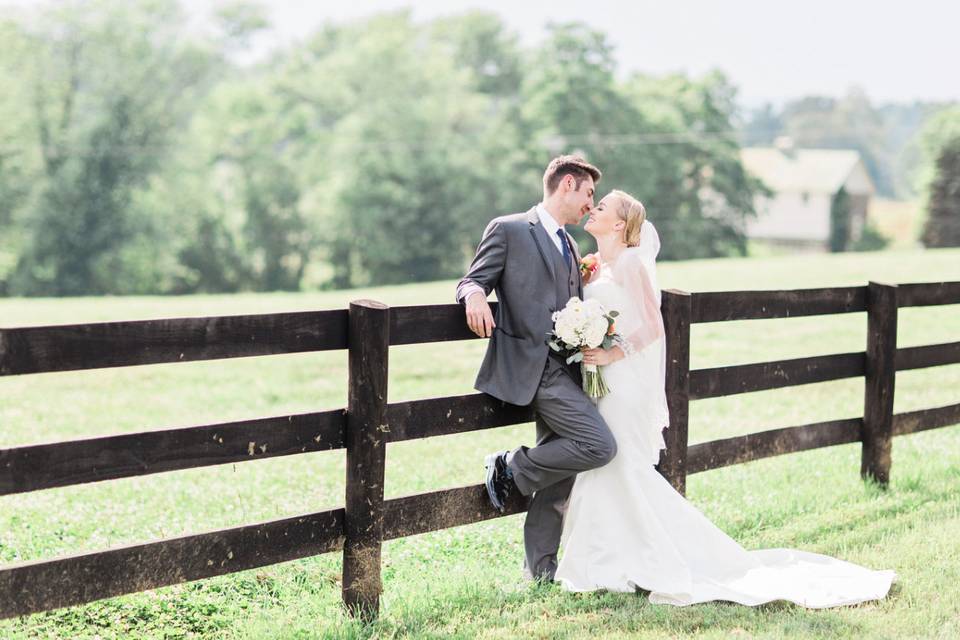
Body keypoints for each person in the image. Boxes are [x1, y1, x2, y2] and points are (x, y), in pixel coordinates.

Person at [554, 189, 897, 607]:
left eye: (602, 207)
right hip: (601, 379)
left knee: (620, 464)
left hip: (621, 380)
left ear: (620, 225)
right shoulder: (599, 267)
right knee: (608, 463)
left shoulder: (628, 263)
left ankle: (631, 560)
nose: (594, 209)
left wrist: (609, 351)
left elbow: (652, 327)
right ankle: (604, 561)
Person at [456, 155, 617, 582]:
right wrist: (473, 298)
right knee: (598, 445)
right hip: (532, 367)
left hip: (568, 370)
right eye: (588, 194)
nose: (590, 204)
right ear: (567, 184)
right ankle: (510, 464)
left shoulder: (571, 245)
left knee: (560, 473)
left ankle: (540, 571)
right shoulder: (509, 229)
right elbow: (473, 279)